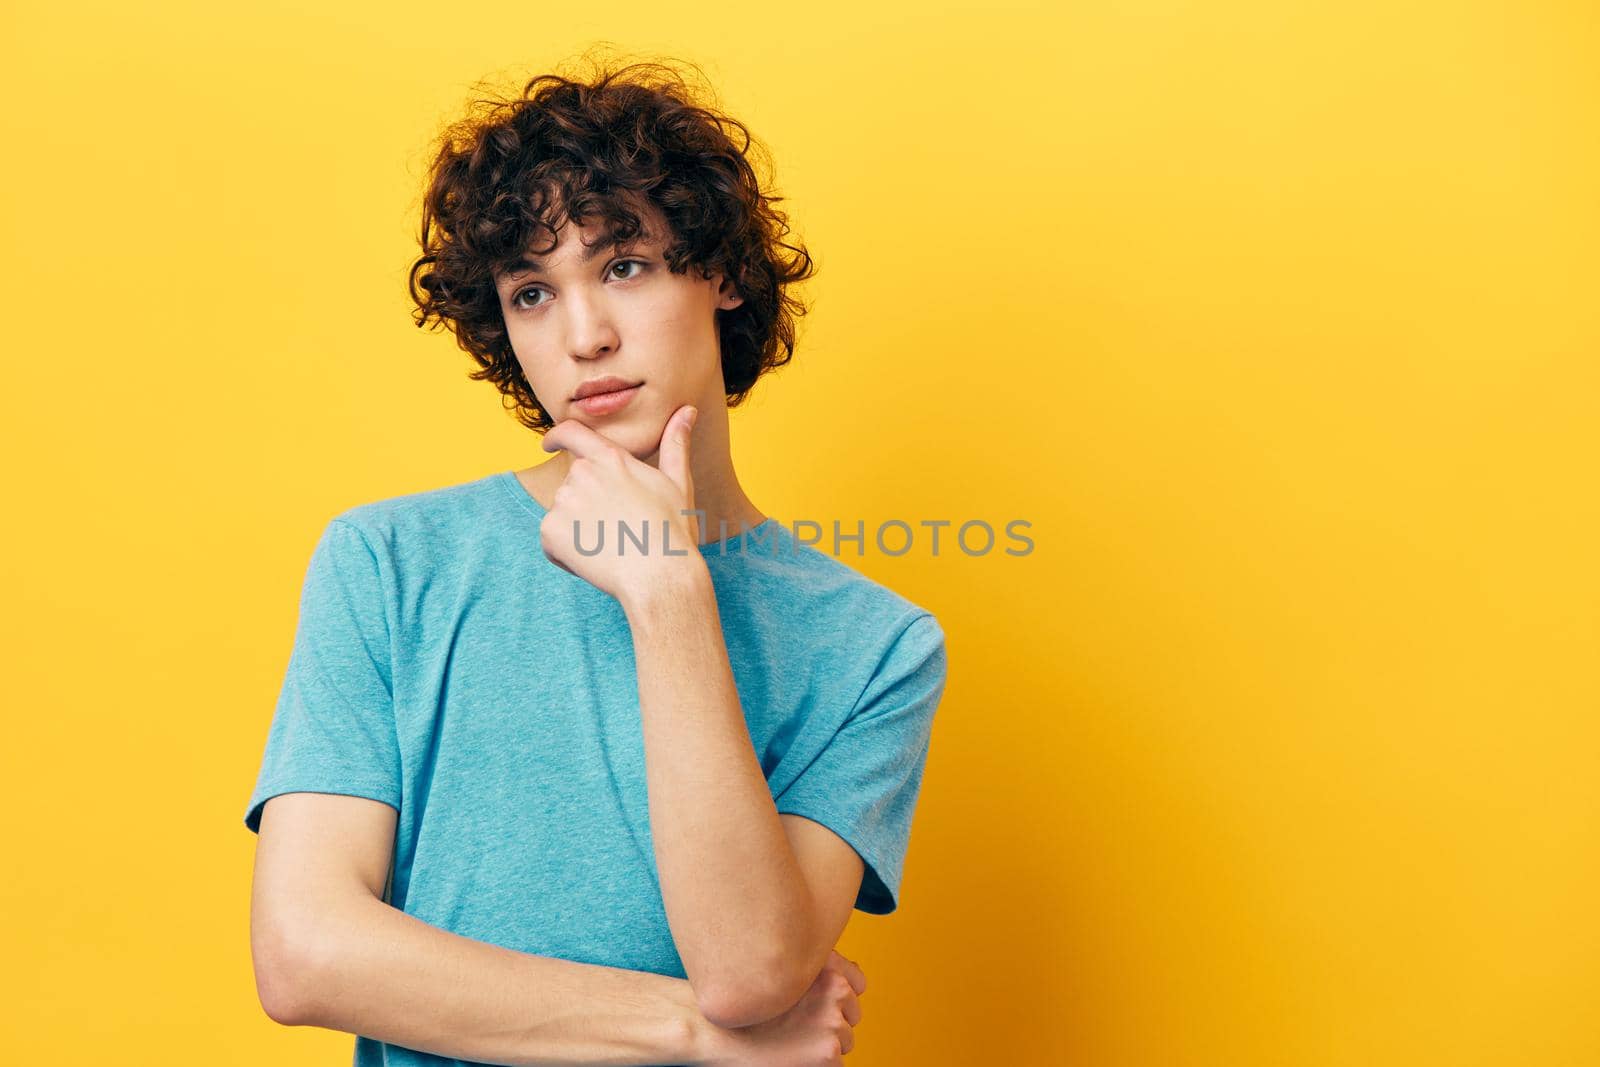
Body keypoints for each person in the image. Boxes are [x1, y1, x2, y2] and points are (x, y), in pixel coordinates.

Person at [243, 56, 949, 1067]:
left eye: (623, 265)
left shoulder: (875, 645)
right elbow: (306, 953)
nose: (584, 335)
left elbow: (749, 967)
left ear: (723, 273)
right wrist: (691, 1032)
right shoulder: (390, 561)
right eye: (532, 292)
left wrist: (667, 589)